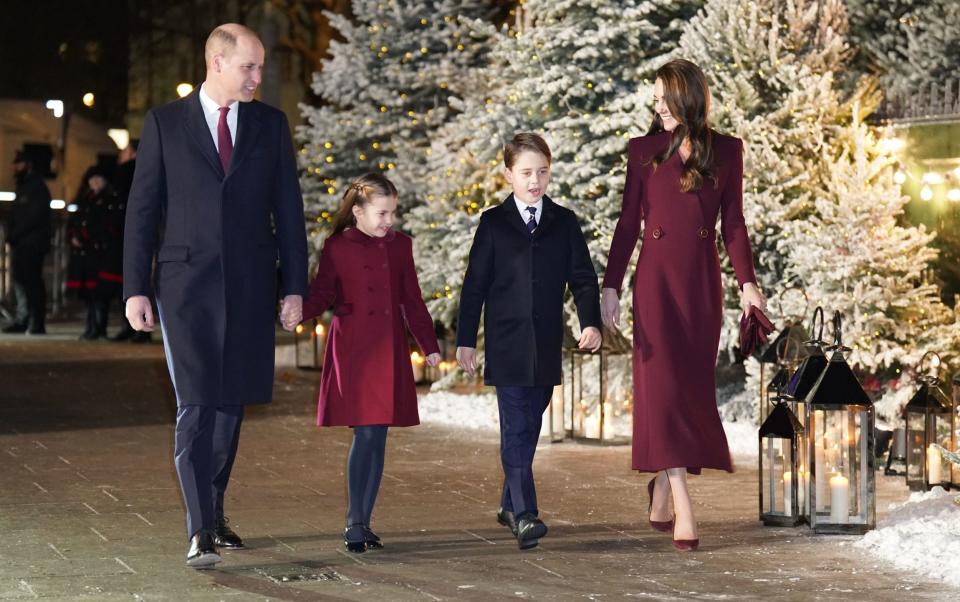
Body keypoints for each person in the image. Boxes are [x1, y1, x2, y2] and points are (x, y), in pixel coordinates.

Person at [122, 23, 307, 569]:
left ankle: (216, 509)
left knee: (230, 406)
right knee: (197, 404)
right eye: (249, 67)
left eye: (260, 66)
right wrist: (135, 287)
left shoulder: (270, 126)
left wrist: (294, 286)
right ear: (216, 64)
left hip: (250, 286)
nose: (258, 77)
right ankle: (199, 527)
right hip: (185, 288)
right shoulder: (164, 124)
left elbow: (289, 213)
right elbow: (142, 210)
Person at [600, 59, 766, 552]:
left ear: (688, 98)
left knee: (688, 391)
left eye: (664, 99)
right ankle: (683, 505)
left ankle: (661, 490)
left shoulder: (728, 152)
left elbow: (732, 224)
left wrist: (748, 284)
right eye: (654, 100)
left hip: (700, 286)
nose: (657, 108)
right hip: (654, 285)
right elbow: (628, 224)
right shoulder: (643, 151)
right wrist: (610, 286)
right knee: (664, 388)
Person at [456, 133, 602, 550]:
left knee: (528, 428)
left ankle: (507, 504)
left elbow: (583, 278)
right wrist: (466, 340)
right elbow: (474, 287)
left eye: (542, 172)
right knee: (516, 429)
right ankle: (524, 515)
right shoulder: (493, 223)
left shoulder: (563, 221)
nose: (535, 181)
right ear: (508, 175)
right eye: (526, 173)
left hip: (545, 345)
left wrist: (589, 322)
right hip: (506, 344)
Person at [300, 173, 440, 553]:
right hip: (354, 349)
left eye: (393, 213)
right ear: (358, 212)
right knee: (366, 432)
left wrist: (429, 344)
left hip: (388, 347)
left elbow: (412, 299)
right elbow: (322, 293)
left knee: (377, 434)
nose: (389, 221)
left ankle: (362, 520)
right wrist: (296, 311)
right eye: (382, 213)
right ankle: (355, 523)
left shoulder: (400, 247)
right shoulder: (336, 247)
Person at [66, 166, 124, 340]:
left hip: (100, 254)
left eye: (99, 179)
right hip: (85, 254)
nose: (95, 183)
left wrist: (86, 236)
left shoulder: (109, 201)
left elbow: (105, 226)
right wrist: (73, 237)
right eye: (92, 179)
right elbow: (73, 222)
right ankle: (91, 327)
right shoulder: (83, 200)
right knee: (89, 295)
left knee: (100, 294)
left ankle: (99, 327)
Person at [2, 149, 51, 335]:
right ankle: (24, 319)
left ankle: (36, 322)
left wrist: (15, 234)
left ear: (28, 165)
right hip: (22, 244)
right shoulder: (24, 186)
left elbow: (34, 217)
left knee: (32, 284)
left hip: (32, 244)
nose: (15, 167)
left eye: (19, 164)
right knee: (21, 282)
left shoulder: (37, 187)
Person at [109, 141, 151, 343]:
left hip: (124, 233)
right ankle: (133, 328)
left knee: (129, 280)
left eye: (125, 150)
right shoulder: (125, 173)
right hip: (123, 232)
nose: (121, 154)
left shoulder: (126, 173)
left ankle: (136, 328)